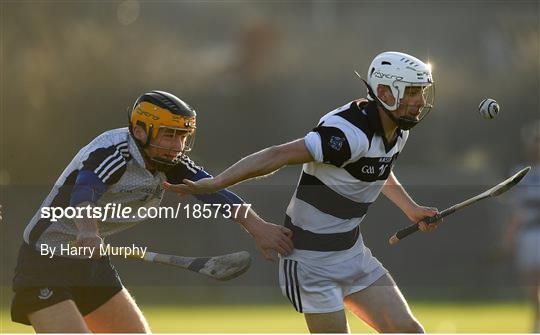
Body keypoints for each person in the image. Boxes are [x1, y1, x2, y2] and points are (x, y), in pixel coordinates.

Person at [165, 51, 443, 333]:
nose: (420, 101)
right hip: (310, 261)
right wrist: (216, 183)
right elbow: (278, 154)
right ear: (384, 91)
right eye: (411, 91)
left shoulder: (398, 129)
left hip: (352, 253)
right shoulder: (347, 133)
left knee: (409, 331)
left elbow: (377, 167)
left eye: (421, 91)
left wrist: (411, 208)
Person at [11, 90, 293, 333]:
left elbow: (213, 191)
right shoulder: (112, 152)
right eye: (169, 135)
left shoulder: (168, 160)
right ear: (139, 131)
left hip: (90, 263)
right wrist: (87, 231)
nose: (177, 146)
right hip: (45, 262)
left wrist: (258, 227)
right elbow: (83, 192)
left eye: (182, 136)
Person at [504, 120, 540, 333]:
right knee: (531, 287)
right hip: (527, 235)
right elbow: (515, 212)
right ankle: (536, 325)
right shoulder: (519, 172)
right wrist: (508, 241)